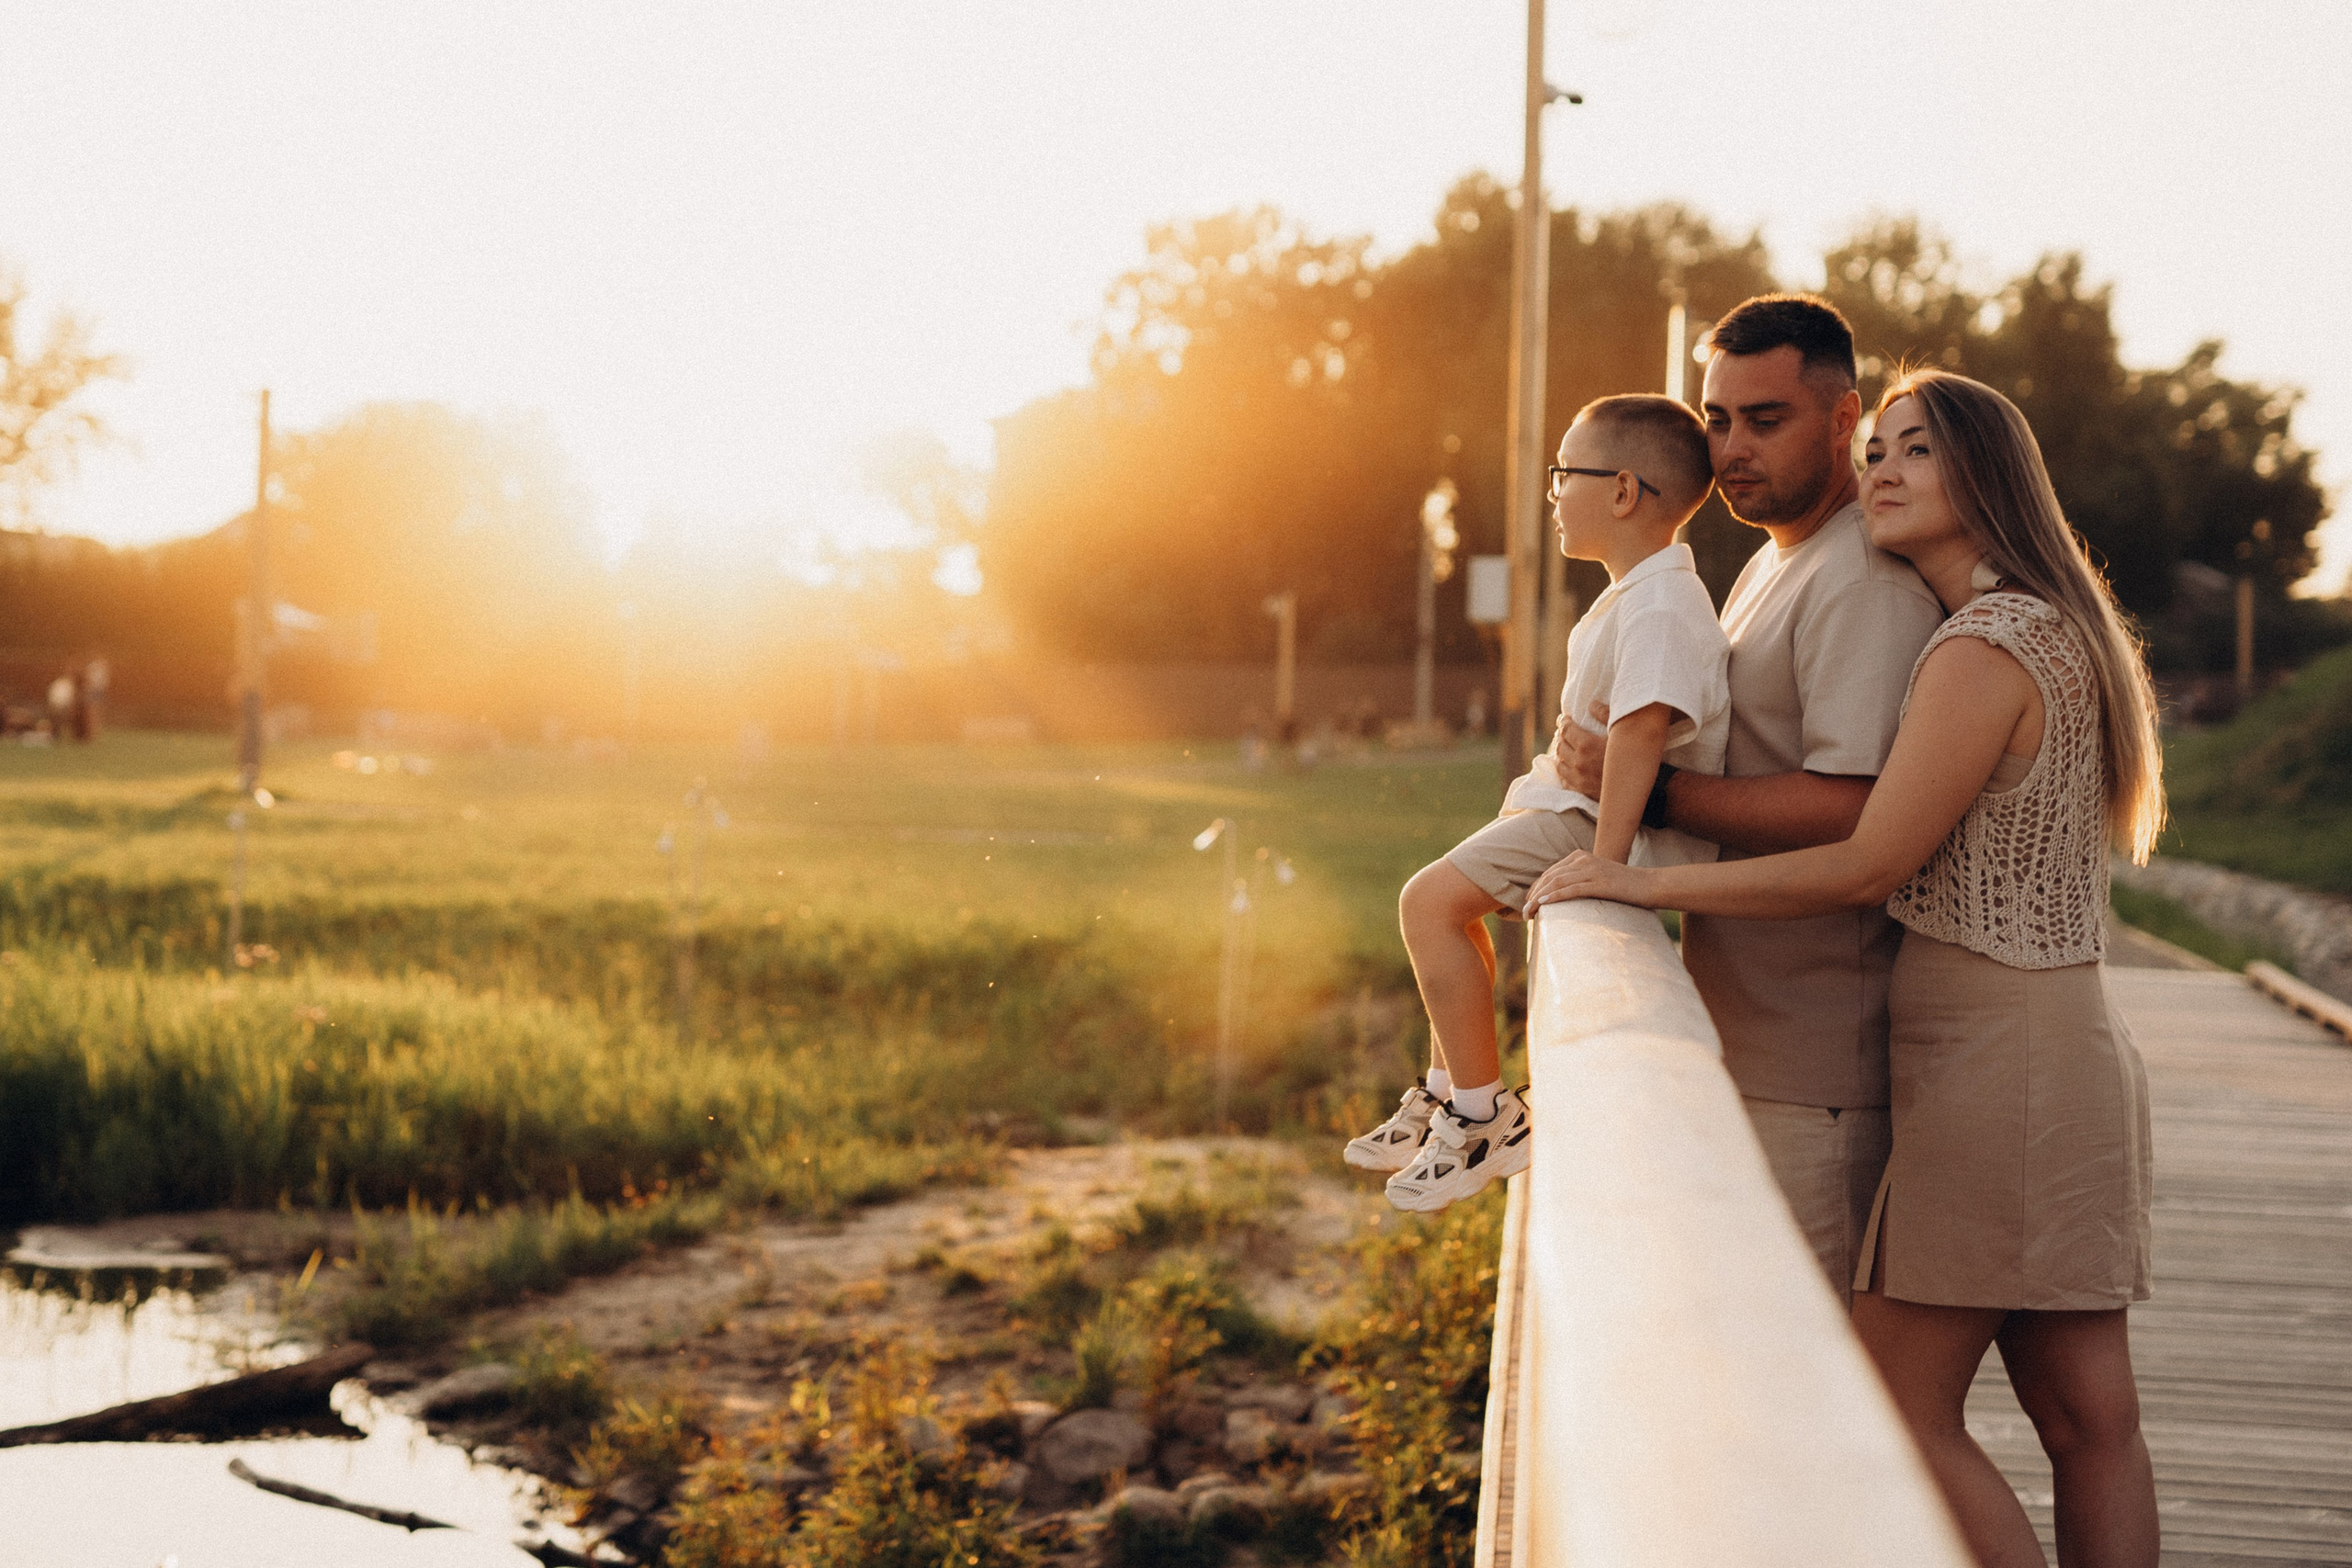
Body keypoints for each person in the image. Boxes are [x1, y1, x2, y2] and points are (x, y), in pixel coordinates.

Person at [1534, 368, 2164, 1567]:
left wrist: (1643, 878)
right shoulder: (2049, 626)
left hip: (1999, 1076)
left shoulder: (1985, 646)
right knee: (2091, 1420)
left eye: (1913, 451)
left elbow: (1866, 859)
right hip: (2063, 1055)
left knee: (1895, 1402)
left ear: (1985, 477)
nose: (1879, 469)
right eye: (1877, 448)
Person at [1551, 294, 1946, 1292]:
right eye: (1717, 419)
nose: (1730, 448)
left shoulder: (1862, 578)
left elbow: (1852, 809)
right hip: (1748, 1037)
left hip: (1818, 1073)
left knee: (1809, 1395)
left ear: (1842, 417)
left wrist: (1651, 797)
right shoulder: (1774, 564)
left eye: (1763, 420)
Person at [1346, 394, 1729, 1212]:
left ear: (1623, 492)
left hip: (1586, 824)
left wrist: (1606, 861)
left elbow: (1638, 733)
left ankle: (1482, 1117)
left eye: (1564, 473)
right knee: (1454, 912)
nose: (1552, 492)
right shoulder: (1640, 593)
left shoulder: (1660, 604)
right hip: (1570, 811)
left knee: (1427, 903)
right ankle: (1455, 1095)